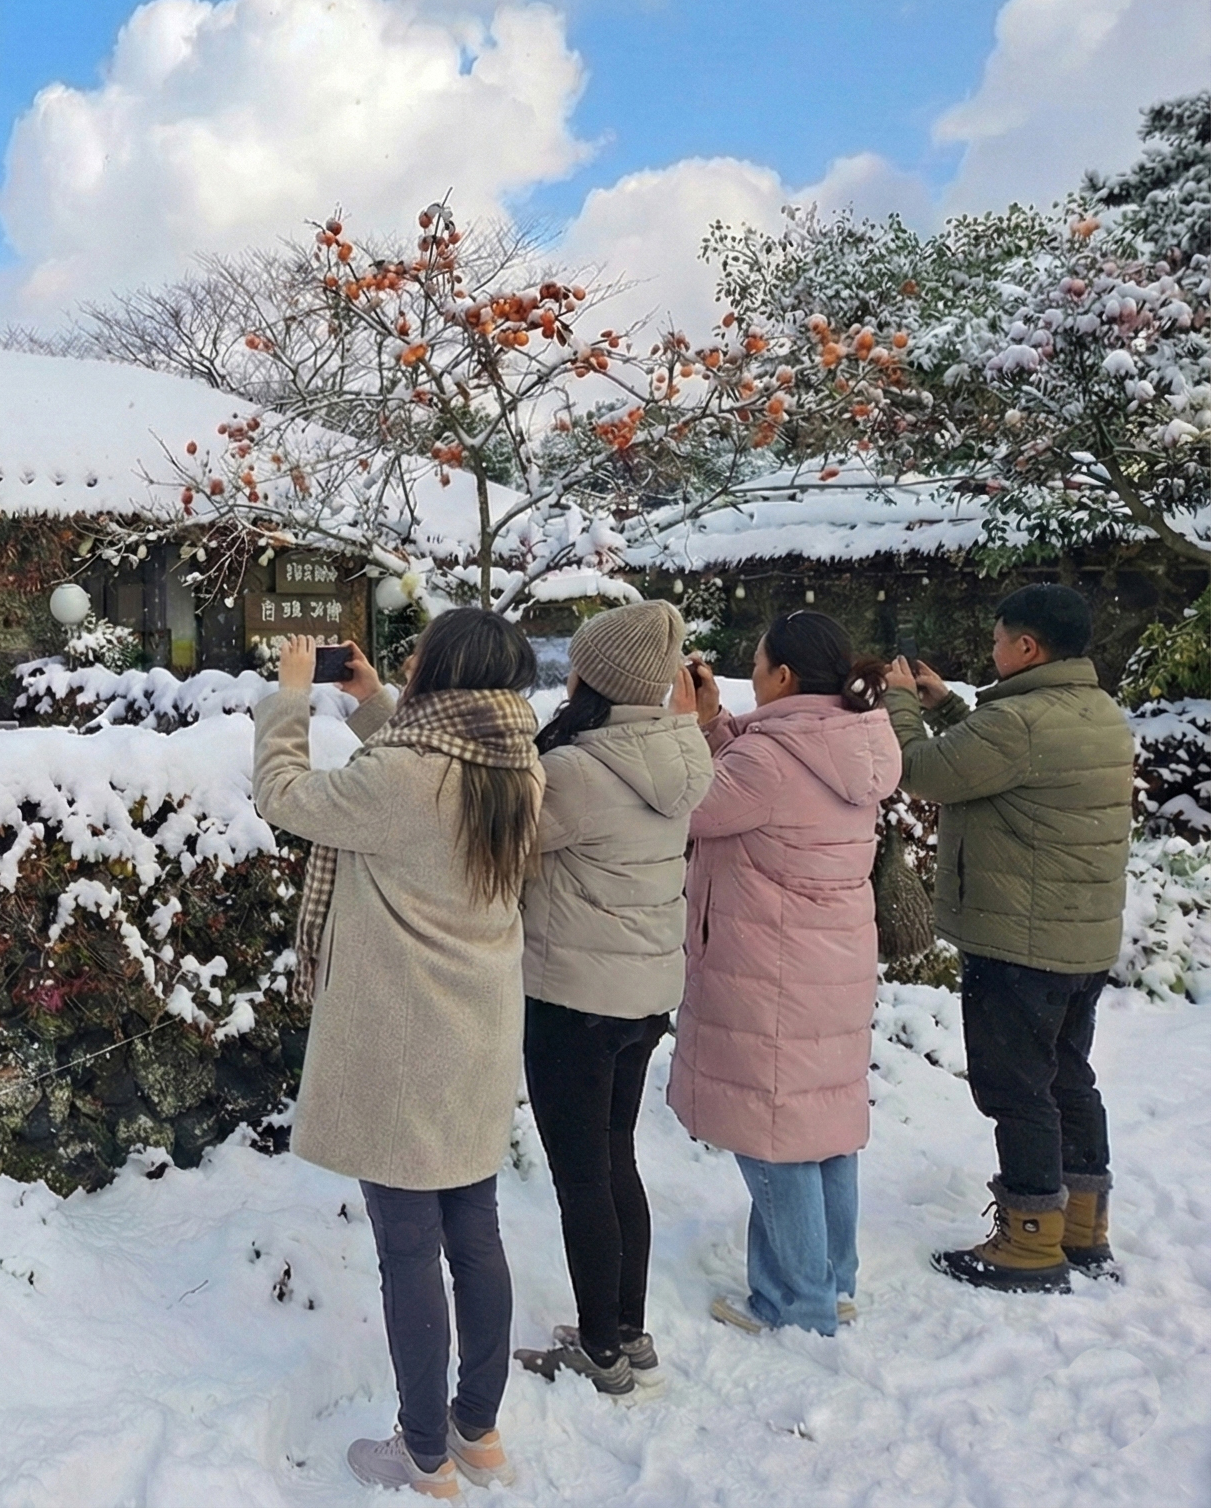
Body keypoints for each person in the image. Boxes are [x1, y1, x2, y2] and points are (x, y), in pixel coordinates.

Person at [253, 613, 542, 1500]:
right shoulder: (518, 763)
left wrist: (290, 699)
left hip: (405, 1039)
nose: (406, 661)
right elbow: (427, 772)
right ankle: (476, 1431)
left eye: (419, 655)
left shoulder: (406, 776)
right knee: (476, 1233)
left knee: (409, 1249)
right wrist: (374, 700)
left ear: (444, 672)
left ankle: (422, 1454)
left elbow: (285, 795)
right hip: (480, 1030)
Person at [883, 585, 1135, 1292]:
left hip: (1019, 943)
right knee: (1068, 1076)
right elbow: (999, 759)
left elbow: (922, 771)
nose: (991, 651)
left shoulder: (1019, 722)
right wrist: (948, 706)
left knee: (1017, 1089)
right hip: (1079, 941)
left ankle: (1028, 1243)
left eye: (998, 640)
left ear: (1027, 647)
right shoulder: (1096, 711)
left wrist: (901, 702)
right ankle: (1081, 1226)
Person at [668, 610, 901, 1337]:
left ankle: (795, 1302)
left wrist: (681, 728)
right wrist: (714, 723)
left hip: (768, 970)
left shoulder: (769, 760)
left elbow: (688, 805)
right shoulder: (851, 738)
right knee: (823, 1127)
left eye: (759, 663)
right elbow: (749, 783)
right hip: (829, 965)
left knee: (774, 1134)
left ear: (785, 677)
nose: (753, 673)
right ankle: (833, 1279)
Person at [511, 601, 712, 1398]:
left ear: (593, 676)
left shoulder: (577, 770)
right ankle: (628, 1332)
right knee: (616, 1158)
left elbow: (493, 834)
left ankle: (599, 1350)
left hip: (574, 999)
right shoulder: (679, 749)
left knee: (583, 1177)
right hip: (643, 995)